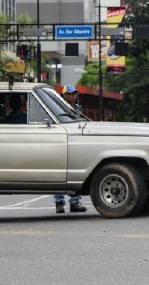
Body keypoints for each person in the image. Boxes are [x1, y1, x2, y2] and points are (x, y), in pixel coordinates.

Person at [53, 85, 88, 214]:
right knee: (60, 173)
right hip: (61, 142)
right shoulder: (57, 108)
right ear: (64, 96)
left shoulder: (78, 109)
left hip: (74, 142)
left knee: (76, 173)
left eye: (74, 94)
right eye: (70, 94)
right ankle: (59, 203)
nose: (73, 96)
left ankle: (75, 202)